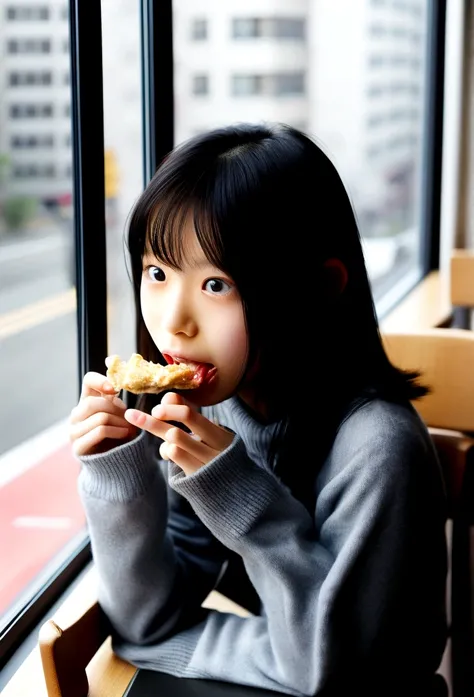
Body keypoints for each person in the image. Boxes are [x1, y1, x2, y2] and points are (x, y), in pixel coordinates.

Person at [70, 123, 448, 697]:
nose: (174, 320)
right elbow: (145, 621)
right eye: (157, 273)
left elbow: (334, 674)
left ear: (319, 290)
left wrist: (241, 498)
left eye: (217, 284)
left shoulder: (379, 448)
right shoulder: (215, 414)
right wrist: (119, 473)